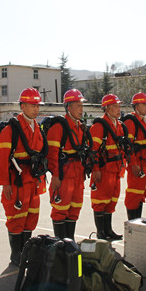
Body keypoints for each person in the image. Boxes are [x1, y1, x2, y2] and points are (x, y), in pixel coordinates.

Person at [0, 87, 47, 266]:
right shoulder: (10, 130)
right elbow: (2, 159)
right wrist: (5, 184)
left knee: (31, 216)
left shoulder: (37, 128)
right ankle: (16, 254)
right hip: (17, 182)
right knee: (16, 217)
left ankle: (26, 251)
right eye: (33, 105)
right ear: (23, 106)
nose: (36, 109)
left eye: (37, 105)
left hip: (33, 181)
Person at [47, 89, 89, 240]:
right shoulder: (58, 127)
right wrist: (55, 175)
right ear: (69, 107)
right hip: (63, 175)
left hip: (77, 173)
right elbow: (52, 155)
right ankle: (60, 244)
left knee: (75, 207)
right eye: (78, 106)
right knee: (60, 208)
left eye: (82, 106)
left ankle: (69, 242)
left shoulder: (80, 126)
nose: (81, 109)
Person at [89, 94, 127, 240]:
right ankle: (101, 232)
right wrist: (96, 170)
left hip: (115, 169)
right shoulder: (99, 127)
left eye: (119, 106)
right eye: (116, 106)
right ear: (107, 108)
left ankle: (108, 230)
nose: (119, 109)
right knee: (100, 201)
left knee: (111, 200)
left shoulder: (119, 125)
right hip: (104, 170)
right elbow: (93, 151)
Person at [123, 92, 146, 220]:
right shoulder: (131, 122)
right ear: (136, 106)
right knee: (134, 193)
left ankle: (137, 221)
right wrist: (133, 164)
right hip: (138, 163)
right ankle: (132, 222)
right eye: (144, 105)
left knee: (142, 193)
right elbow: (128, 146)